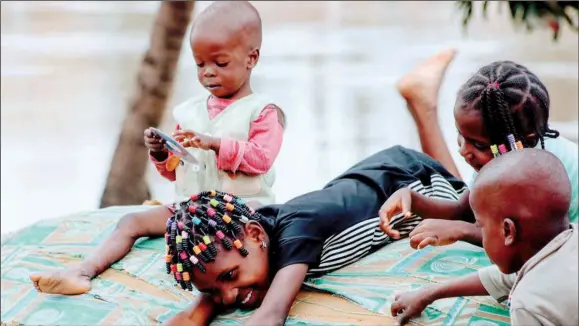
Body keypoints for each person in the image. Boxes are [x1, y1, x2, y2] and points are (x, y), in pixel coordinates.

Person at [29, 146, 470, 326]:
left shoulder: (297, 233)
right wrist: (86, 269)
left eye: (230, 276)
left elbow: (271, 316)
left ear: (257, 237)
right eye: (216, 288)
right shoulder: (244, 222)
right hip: (356, 178)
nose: (229, 294)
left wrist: (201, 310)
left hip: (411, 181)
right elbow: (133, 223)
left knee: (472, 204)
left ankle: (421, 104)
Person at [380, 53, 578, 248]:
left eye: (480, 145)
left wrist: (461, 231)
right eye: (461, 135)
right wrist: (412, 199)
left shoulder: (543, 170)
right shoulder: (503, 158)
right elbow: (463, 211)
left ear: (524, 142)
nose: (464, 151)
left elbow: (529, 240)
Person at [390, 149, 577, 326]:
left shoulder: (528, 303)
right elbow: (504, 278)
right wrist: (427, 293)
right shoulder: (568, 240)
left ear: (507, 231)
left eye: (481, 226)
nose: (481, 231)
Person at [143, 1, 286, 205]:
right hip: (191, 211)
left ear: (251, 58)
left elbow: (262, 159)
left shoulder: (263, 112)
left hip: (240, 215)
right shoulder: (188, 113)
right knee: (132, 223)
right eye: (200, 64)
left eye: (221, 63)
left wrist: (216, 144)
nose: (208, 71)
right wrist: (160, 150)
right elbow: (176, 171)